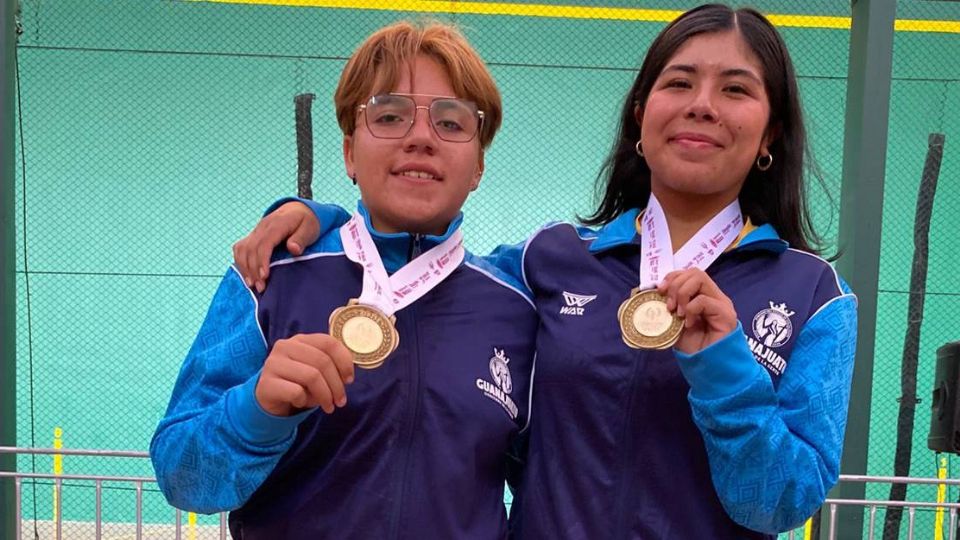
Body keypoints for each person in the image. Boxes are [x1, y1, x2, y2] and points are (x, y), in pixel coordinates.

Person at [232, 4, 858, 538]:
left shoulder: (813, 296)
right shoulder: (550, 259)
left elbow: (779, 501)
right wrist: (318, 215)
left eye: (736, 89)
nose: (701, 106)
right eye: (679, 83)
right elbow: (420, 264)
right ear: (640, 114)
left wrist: (725, 368)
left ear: (770, 131)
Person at [150, 21, 539, 539]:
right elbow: (183, 478)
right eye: (391, 116)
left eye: (451, 123)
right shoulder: (270, 276)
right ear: (351, 153)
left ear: (478, 167)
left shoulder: (516, 307)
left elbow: (550, 488)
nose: (421, 137)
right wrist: (257, 410)